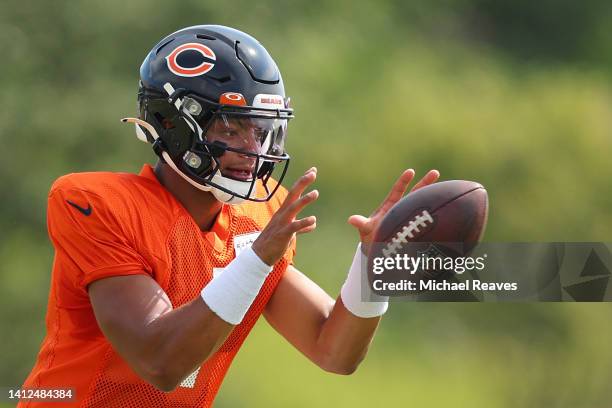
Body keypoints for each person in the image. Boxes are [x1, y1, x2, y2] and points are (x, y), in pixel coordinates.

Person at [19, 25, 439, 407]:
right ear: (172, 123)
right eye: (232, 129)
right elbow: (160, 362)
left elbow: (334, 351)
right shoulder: (98, 204)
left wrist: (375, 264)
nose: (253, 151)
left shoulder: (257, 216)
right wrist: (256, 260)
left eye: (260, 131)